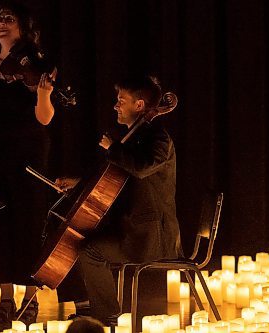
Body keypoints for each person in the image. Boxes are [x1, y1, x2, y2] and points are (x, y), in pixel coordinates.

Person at [0, 1, 88, 330]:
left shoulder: (38, 60)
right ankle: (5, 301)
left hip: (29, 152)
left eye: (10, 19)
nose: (3, 24)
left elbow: (44, 118)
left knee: (30, 225)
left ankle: (30, 301)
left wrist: (43, 94)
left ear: (22, 26)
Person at [56, 76, 181, 325]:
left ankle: (106, 316)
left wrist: (113, 148)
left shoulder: (158, 138)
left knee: (88, 250)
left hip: (152, 236)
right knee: (77, 239)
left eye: (121, 101)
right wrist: (79, 183)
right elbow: (116, 179)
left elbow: (142, 167)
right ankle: (96, 309)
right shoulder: (135, 138)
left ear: (139, 105)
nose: (115, 106)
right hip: (135, 230)